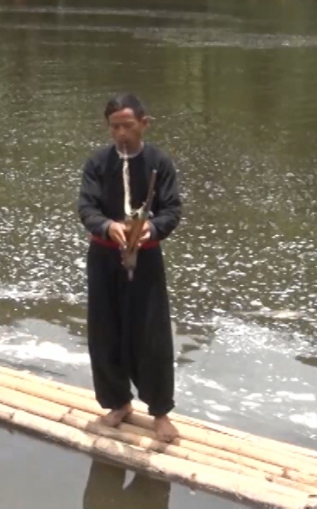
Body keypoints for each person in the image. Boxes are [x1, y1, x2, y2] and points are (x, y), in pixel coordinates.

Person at [78, 94, 182, 442]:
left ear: (143, 123)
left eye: (128, 126)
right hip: (105, 257)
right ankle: (118, 402)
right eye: (115, 127)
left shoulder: (158, 163)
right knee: (105, 331)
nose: (121, 134)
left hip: (146, 258)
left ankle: (160, 412)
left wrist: (151, 228)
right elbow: (87, 208)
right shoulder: (98, 163)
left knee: (151, 336)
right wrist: (108, 226)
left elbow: (171, 210)